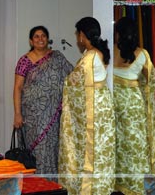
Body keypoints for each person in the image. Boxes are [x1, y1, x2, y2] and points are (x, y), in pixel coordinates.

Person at [58, 17, 116, 195]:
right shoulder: (97, 52)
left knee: (90, 150)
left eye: (77, 34)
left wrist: (65, 83)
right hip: (103, 105)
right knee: (100, 149)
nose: (77, 38)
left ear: (83, 35)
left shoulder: (89, 57)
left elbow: (73, 82)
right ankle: (100, 188)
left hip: (93, 109)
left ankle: (89, 190)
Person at [13, 25, 73, 177]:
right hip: (31, 115)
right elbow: (18, 88)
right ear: (31, 41)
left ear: (48, 39)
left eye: (43, 36)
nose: (40, 39)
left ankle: (51, 182)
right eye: (36, 37)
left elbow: (73, 75)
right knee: (35, 149)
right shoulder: (24, 61)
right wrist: (17, 114)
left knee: (51, 148)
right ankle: (36, 182)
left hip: (53, 114)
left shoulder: (57, 57)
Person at [113, 16, 155, 195]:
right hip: (133, 107)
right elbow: (151, 81)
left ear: (118, 34)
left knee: (117, 145)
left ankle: (118, 184)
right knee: (134, 147)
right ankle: (136, 186)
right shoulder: (143, 54)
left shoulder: (109, 51)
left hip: (113, 105)